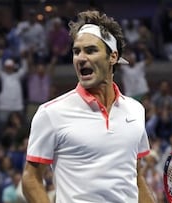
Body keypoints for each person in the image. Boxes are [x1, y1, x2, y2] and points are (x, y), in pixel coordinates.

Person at [22, 10, 155, 203]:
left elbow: (136, 177)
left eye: (91, 50)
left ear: (112, 56)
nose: (81, 58)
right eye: (77, 51)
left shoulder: (136, 110)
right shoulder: (50, 114)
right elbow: (31, 178)